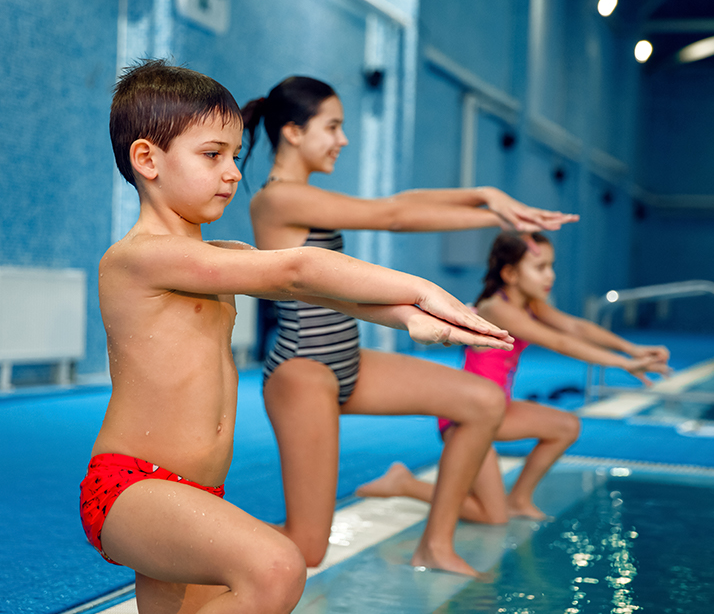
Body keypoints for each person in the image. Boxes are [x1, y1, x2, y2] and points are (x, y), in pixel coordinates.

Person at [79, 60, 517, 613]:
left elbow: (321, 295)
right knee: (278, 566)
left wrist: (407, 317)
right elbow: (297, 270)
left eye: (235, 156)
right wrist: (422, 289)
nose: (234, 172)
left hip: (195, 493)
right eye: (213, 155)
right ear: (147, 160)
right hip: (132, 487)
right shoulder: (136, 259)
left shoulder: (219, 258)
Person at [242, 76, 579, 576]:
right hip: (303, 371)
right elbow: (393, 215)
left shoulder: (306, 195)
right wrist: (493, 216)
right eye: (332, 127)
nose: (343, 139)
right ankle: (190, 542)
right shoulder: (277, 200)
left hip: (348, 360)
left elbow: (401, 201)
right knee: (307, 546)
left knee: (482, 401)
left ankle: (435, 546)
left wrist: (484, 195)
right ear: (292, 132)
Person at [358, 232, 672, 523]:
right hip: (466, 415)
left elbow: (576, 328)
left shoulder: (530, 304)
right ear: (510, 274)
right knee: (492, 517)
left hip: (499, 408)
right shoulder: (497, 308)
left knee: (566, 426)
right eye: (540, 267)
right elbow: (558, 342)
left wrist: (633, 350)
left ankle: (520, 498)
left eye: (551, 266)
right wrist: (622, 363)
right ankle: (405, 483)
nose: (550, 275)